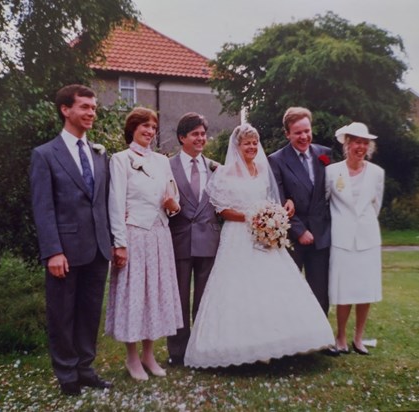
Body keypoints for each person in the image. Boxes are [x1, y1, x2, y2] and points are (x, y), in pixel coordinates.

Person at [184, 123, 335, 368]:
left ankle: (279, 343)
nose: (252, 147)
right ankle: (240, 346)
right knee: (239, 288)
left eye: (255, 143)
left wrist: (281, 207)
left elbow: (273, 199)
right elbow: (221, 209)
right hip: (237, 237)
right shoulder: (225, 173)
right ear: (238, 146)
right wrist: (251, 217)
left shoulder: (263, 170)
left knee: (272, 285)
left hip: (264, 235)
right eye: (247, 143)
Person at [30, 84, 112, 396]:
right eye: (84, 107)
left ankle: (86, 369)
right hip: (64, 250)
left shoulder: (99, 154)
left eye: (93, 108)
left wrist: (113, 242)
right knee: (62, 314)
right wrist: (53, 251)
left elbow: (102, 203)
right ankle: (67, 375)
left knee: (90, 312)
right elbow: (43, 206)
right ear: (66, 110)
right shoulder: (45, 155)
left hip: (97, 248)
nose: (91, 113)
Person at [105, 107, 183, 381]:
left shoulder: (163, 161)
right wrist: (120, 243)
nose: (149, 131)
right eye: (144, 126)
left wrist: (173, 206)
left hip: (159, 236)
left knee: (154, 294)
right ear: (133, 129)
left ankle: (149, 354)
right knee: (134, 294)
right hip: (134, 234)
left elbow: (173, 200)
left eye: (153, 127)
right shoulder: (120, 159)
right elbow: (115, 204)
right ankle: (132, 357)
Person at [166, 113, 221, 366]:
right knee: (178, 297)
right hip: (179, 240)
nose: (201, 138)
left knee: (203, 298)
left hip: (208, 240)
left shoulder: (215, 167)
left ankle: (199, 347)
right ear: (182, 137)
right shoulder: (167, 166)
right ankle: (177, 351)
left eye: (203, 134)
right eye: (195, 134)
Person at [326, 122, 384, 355]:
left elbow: (375, 205)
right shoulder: (332, 172)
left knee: (365, 289)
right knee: (343, 290)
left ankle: (358, 338)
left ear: (368, 146)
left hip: (368, 239)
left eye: (364, 142)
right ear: (347, 144)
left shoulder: (377, 173)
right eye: (356, 142)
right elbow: (325, 201)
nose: (360, 146)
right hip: (341, 239)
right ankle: (340, 336)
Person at [268, 107, 332, 315]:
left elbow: (329, 193)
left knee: (320, 290)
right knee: (291, 289)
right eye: (298, 132)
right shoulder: (276, 160)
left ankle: (321, 337)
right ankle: (293, 339)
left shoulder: (324, 154)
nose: (304, 136)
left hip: (321, 235)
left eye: (307, 131)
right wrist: (299, 230)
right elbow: (277, 199)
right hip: (293, 237)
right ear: (287, 134)